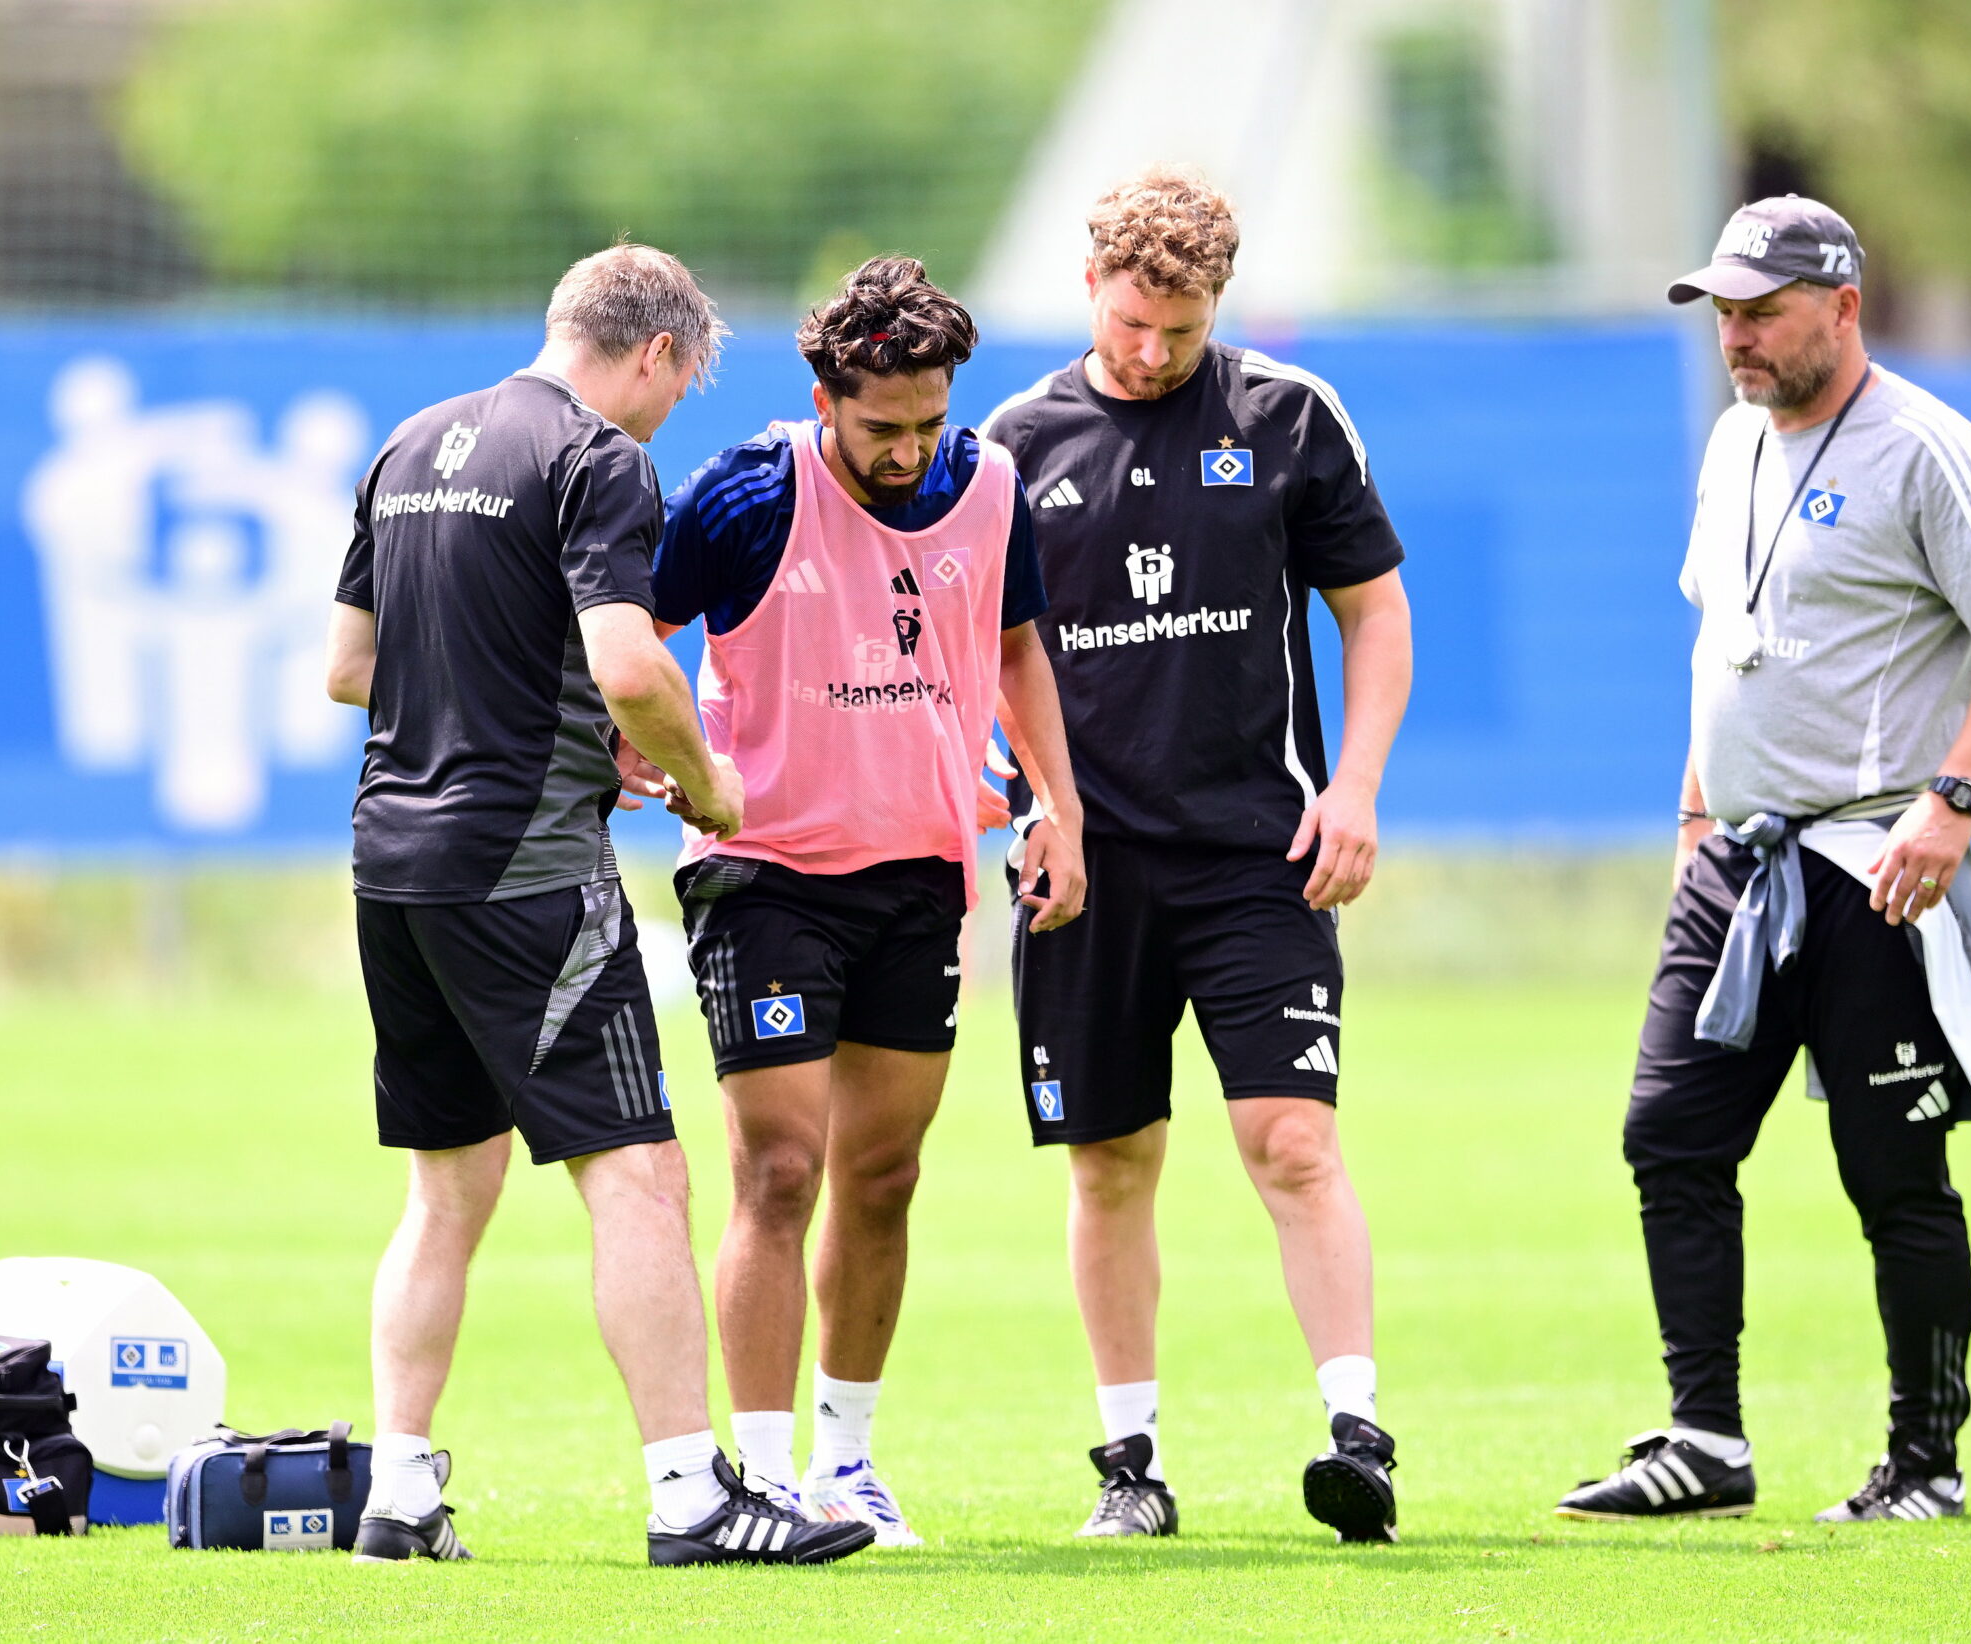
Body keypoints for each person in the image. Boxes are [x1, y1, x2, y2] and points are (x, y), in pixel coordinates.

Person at [324, 244, 874, 1568]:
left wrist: (534, 709)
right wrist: (703, 781)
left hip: (392, 860)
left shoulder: (412, 443)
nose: (668, 414)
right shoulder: (596, 460)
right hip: (523, 870)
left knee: (445, 1192)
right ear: (660, 354)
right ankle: (693, 1494)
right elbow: (633, 667)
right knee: (639, 1172)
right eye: (679, 389)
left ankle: (398, 1490)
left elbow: (351, 668)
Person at [1554, 197, 1971, 1525]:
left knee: (1894, 1172)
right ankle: (1706, 1440)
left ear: (1842, 304)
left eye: (1762, 309)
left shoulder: (1933, 453)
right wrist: (1691, 820)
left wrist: (1950, 806)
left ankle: (1924, 1459)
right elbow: (1721, 649)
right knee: (1668, 1136)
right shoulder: (1732, 444)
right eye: (1722, 309)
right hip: (1737, 858)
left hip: (1873, 866)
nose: (1737, 334)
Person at [981, 167, 1415, 1544]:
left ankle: (1359, 1436)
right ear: (1090, 291)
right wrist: (1029, 801)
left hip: (1256, 857)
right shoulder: (1011, 443)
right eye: (1127, 325)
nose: (1151, 352)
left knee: (1289, 1140)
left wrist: (1353, 786)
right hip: (1087, 868)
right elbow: (982, 648)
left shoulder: (1289, 417)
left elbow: (1378, 613)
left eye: (1178, 329)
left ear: (1215, 304)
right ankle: (1131, 1465)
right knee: (1110, 1162)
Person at [651, 256, 1087, 1547]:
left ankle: (848, 1464)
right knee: (780, 1170)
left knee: (883, 1175)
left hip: (920, 872)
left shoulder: (990, 485)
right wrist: (660, 755)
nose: (908, 452)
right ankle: (767, 1475)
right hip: (768, 872)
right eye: (879, 427)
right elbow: (634, 629)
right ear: (823, 395)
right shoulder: (743, 492)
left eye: (928, 425)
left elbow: (1015, 647)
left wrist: (1054, 803)